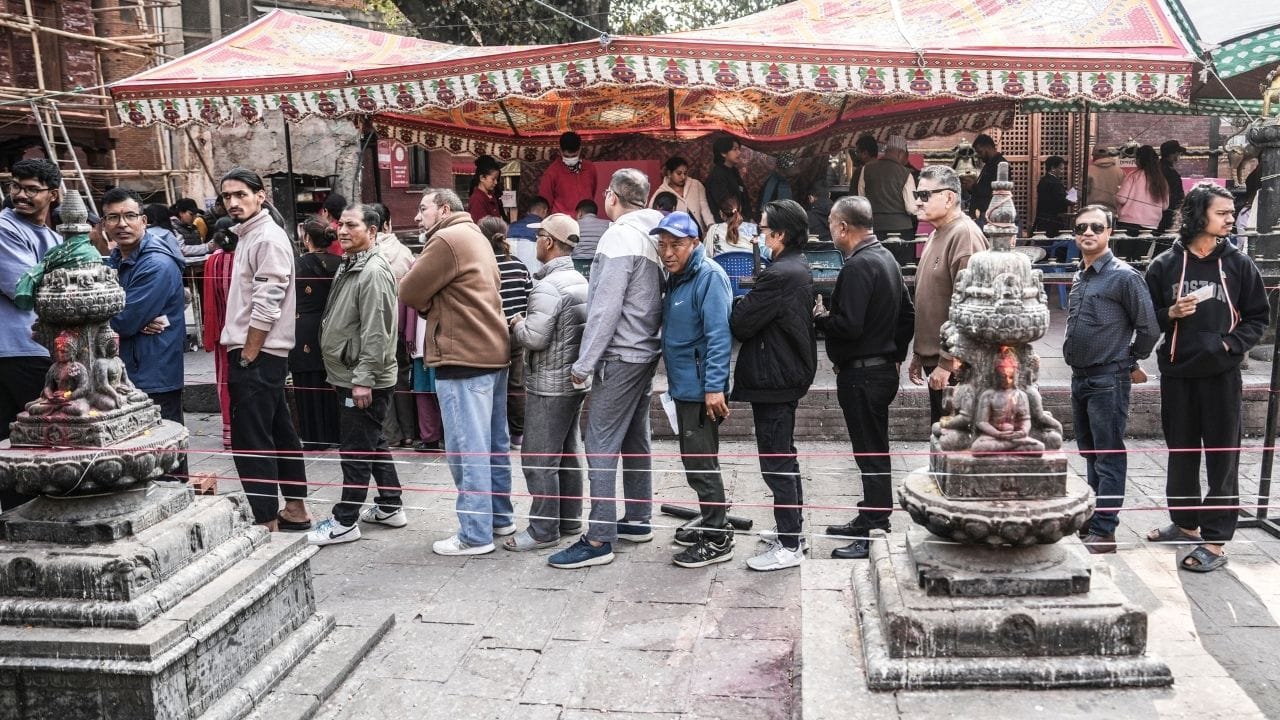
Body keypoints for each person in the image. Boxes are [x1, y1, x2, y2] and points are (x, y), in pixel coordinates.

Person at [1143, 182, 1269, 573]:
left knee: (1221, 457)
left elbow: (1257, 318)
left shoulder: (1238, 263)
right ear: (1199, 216)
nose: (1231, 219)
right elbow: (1147, 318)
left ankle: (1215, 540)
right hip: (1177, 372)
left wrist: (1230, 346)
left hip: (1221, 375)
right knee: (1181, 452)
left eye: (1232, 213)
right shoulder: (1164, 264)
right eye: (1222, 213)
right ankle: (1184, 523)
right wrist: (1170, 315)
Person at [551, 169, 664, 569]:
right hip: (646, 350)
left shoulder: (618, 236)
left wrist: (584, 363)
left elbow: (605, 308)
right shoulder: (655, 232)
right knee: (635, 438)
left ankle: (599, 538)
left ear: (611, 196)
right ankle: (637, 517)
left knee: (598, 442)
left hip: (620, 353)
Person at [399, 188, 513, 556]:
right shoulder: (475, 235)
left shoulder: (445, 238)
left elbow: (408, 290)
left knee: (468, 448)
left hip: (462, 354)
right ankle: (498, 518)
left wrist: (431, 303)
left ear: (444, 209)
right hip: (491, 351)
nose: (418, 217)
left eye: (423, 209)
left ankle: (474, 534)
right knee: (493, 445)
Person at [815, 195, 915, 560]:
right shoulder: (886, 256)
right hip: (881, 369)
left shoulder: (858, 266)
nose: (829, 228)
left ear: (843, 226)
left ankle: (876, 527)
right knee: (872, 450)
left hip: (864, 373)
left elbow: (849, 325)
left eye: (830, 222)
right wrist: (895, 354)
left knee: (871, 452)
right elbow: (907, 315)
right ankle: (870, 513)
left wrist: (821, 318)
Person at [1063, 205, 1159, 554]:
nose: (1088, 233)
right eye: (1081, 228)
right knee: (1089, 452)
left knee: (1108, 454)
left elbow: (1148, 327)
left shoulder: (1124, 276)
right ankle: (1093, 516)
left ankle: (1105, 530)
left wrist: (1128, 360)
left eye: (1096, 228)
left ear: (1109, 232)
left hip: (1108, 378)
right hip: (1081, 378)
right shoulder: (1080, 276)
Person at [218, 167, 311, 532]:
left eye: (241, 194)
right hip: (261, 351)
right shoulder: (251, 234)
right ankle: (296, 509)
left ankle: (265, 522)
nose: (233, 202)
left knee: (251, 439)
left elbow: (269, 298)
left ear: (260, 196)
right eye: (227, 196)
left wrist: (249, 352)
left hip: (257, 350)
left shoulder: (266, 237)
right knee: (280, 431)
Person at [308, 204, 405, 546]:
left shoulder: (373, 271)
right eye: (340, 224)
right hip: (349, 373)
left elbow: (377, 331)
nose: (342, 230)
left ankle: (345, 520)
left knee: (355, 451)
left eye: (351, 224)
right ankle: (391, 505)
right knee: (372, 442)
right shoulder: (352, 263)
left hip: (362, 378)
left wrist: (363, 378)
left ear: (373, 230)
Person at [730, 199, 817, 571]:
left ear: (780, 234)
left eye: (763, 229)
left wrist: (737, 303)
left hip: (776, 376)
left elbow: (742, 322)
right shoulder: (794, 268)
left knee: (776, 460)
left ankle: (790, 543)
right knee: (784, 455)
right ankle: (791, 531)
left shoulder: (779, 274)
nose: (759, 235)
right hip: (784, 372)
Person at [653, 212, 735, 567]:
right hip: (684, 386)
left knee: (702, 462)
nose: (668, 252)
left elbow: (719, 337)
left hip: (702, 389)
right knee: (694, 460)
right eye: (663, 245)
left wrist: (714, 387)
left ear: (695, 243)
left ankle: (718, 537)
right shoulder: (677, 279)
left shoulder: (708, 277)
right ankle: (712, 517)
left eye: (676, 245)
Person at [505, 212, 588, 551]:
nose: (536, 241)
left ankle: (542, 530)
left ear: (549, 242)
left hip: (548, 384)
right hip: (573, 382)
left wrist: (516, 322)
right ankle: (568, 519)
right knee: (567, 454)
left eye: (540, 236)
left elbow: (536, 338)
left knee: (538, 458)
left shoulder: (547, 287)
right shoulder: (581, 281)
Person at [102, 187, 188, 481]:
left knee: (164, 458)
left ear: (144, 220)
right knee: (140, 459)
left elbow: (122, 320)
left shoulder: (156, 263)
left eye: (129, 216)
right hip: (130, 371)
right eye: (113, 217)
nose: (121, 224)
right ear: (104, 224)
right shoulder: (115, 259)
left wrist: (125, 320)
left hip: (153, 372)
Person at [909, 165, 989, 425]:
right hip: (938, 357)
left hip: (957, 365)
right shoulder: (937, 232)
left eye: (924, 195)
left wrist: (948, 361)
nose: (918, 202)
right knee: (941, 436)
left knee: (955, 440)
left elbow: (970, 306)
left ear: (949, 197)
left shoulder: (964, 234)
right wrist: (921, 352)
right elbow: (931, 297)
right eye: (916, 195)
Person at [0, 159, 62, 463]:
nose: (20, 195)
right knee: (27, 441)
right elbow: (25, 290)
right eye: (15, 186)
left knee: (32, 443)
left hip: (39, 348)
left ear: (52, 194)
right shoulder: (4, 227)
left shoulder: (54, 238)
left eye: (31, 189)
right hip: (15, 350)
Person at [479, 215, 532, 449]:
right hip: (517, 332)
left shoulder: (481, 266)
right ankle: (518, 435)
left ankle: (496, 432)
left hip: (490, 334)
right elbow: (529, 297)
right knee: (517, 384)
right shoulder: (519, 264)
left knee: (492, 384)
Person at [290, 218, 342, 449]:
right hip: (334, 323)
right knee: (333, 380)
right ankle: (337, 432)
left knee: (307, 382)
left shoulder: (299, 265)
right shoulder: (341, 262)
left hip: (304, 326)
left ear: (307, 238)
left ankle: (314, 437)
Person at [371, 203, 417, 449]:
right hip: (400, 325)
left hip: (376, 327)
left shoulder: (366, 254)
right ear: (388, 224)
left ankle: (391, 434)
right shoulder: (405, 252)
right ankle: (410, 432)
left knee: (381, 379)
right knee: (401, 377)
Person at [202, 217, 237, 449]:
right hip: (251, 332)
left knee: (225, 381)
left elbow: (209, 305)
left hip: (224, 332)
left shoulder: (212, 262)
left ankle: (230, 434)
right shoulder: (245, 258)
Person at [855, 134, 918, 243]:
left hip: (875, 230)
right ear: (901, 153)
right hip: (901, 230)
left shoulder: (866, 169)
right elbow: (911, 208)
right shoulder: (906, 174)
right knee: (902, 261)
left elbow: (861, 202)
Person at [539, 131, 597, 216]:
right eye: (566, 156)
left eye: (574, 156)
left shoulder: (590, 168)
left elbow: (593, 192)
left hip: (586, 220)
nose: (570, 159)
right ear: (560, 151)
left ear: (580, 149)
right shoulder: (551, 172)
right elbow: (545, 203)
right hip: (561, 222)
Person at [650, 156, 715, 230]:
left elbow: (705, 208)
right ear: (669, 173)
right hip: (677, 235)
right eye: (679, 173)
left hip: (698, 233)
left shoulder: (696, 185)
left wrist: (711, 226)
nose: (683, 177)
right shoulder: (661, 192)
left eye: (685, 173)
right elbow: (654, 214)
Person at [1116, 145, 1168, 236]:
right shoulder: (1161, 179)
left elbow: (1121, 199)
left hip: (1129, 222)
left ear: (1140, 160)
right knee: (1145, 251)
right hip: (1151, 225)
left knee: (1126, 250)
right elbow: (1165, 206)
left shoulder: (1133, 176)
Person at [704, 136, 750, 223]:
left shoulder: (734, 171)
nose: (739, 153)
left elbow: (743, 195)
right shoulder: (717, 175)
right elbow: (726, 204)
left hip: (739, 221)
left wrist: (749, 217)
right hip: (726, 225)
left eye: (739, 149)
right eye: (735, 149)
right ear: (723, 153)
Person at [970, 133, 1008, 223]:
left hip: (990, 215)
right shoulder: (988, 164)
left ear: (988, 147)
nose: (979, 155)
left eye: (980, 152)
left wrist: (973, 187)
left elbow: (995, 191)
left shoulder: (1000, 165)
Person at [508, 196, 549, 272]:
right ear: (545, 211)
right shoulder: (545, 230)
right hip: (533, 272)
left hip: (511, 271)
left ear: (528, 211)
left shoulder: (510, 227)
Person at [1033, 156, 1070, 236]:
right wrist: (1070, 201)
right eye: (1061, 169)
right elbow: (1059, 201)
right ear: (1053, 168)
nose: (1062, 172)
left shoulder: (1043, 180)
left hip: (1042, 218)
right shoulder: (1055, 183)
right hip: (1054, 220)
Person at [1158, 140, 1187, 234]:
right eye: (1177, 153)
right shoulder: (1170, 172)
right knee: (1165, 242)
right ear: (1172, 154)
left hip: (1156, 210)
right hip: (1167, 211)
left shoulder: (1157, 168)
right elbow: (1177, 195)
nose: (1179, 155)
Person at [1085, 147, 1124, 211]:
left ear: (1094, 156)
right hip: (1112, 210)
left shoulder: (1088, 170)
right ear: (1108, 156)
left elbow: (1081, 191)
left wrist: (1069, 198)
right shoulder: (1119, 172)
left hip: (1092, 210)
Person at [468, 155, 503, 223]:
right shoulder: (477, 199)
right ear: (482, 178)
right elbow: (482, 226)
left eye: (497, 179)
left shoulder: (491, 195)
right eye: (493, 179)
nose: (496, 182)